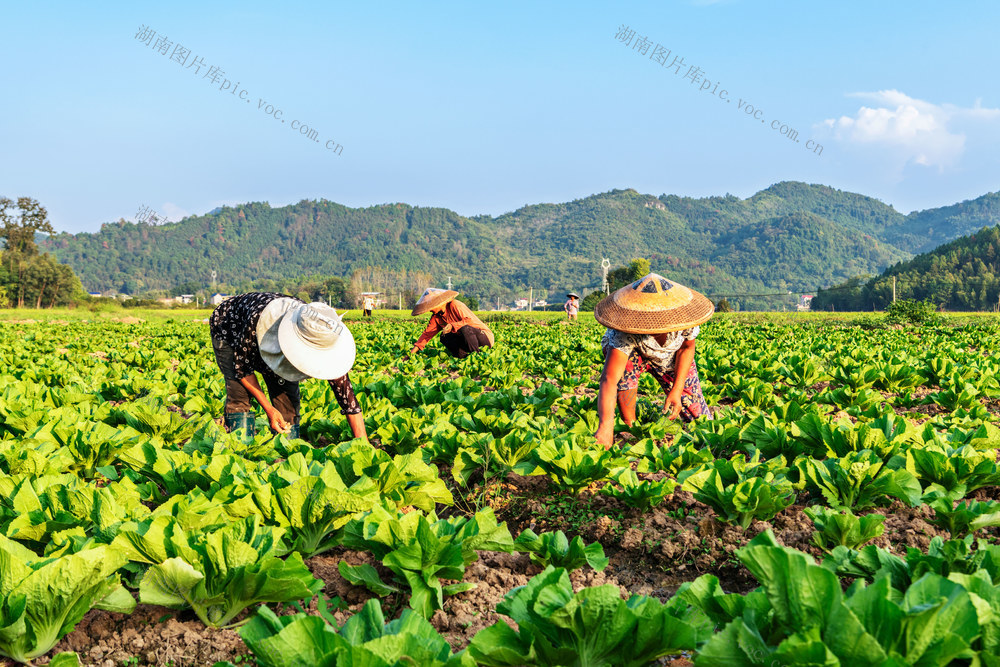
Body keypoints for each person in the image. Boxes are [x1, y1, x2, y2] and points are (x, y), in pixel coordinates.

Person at [209, 292, 368, 442]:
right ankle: (239, 450)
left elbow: (347, 399)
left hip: (264, 330)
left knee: (286, 397)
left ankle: (284, 450)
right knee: (239, 393)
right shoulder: (257, 320)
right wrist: (269, 410)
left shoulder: (321, 332)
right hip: (229, 328)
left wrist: (362, 443)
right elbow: (242, 371)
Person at [593, 273, 714, 448]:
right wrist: (605, 427)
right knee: (625, 368)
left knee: (700, 417)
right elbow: (609, 378)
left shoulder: (685, 320)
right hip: (635, 356)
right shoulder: (626, 331)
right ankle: (630, 426)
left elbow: (687, 348)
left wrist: (677, 390)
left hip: (671, 358)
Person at [407, 288, 495, 359]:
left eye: (431, 306)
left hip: (484, 338)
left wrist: (452, 325)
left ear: (438, 303)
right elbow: (426, 335)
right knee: (444, 336)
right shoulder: (436, 317)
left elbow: (468, 320)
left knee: (464, 328)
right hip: (467, 341)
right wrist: (410, 355)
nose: (430, 309)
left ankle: (477, 357)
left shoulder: (455, 304)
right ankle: (464, 358)